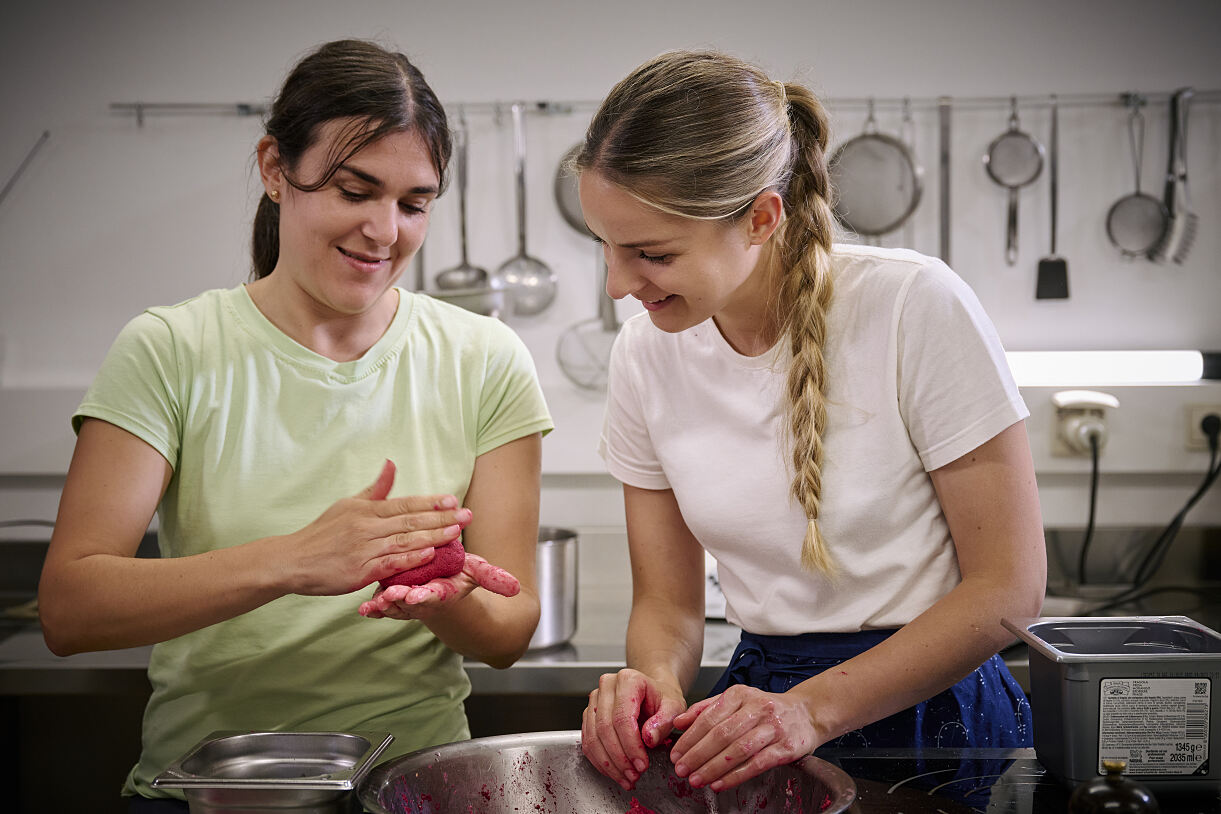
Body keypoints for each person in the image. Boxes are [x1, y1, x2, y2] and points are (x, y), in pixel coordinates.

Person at [37, 39, 552, 812]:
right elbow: (71, 608)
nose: (385, 231)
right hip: (211, 791)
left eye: (413, 204)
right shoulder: (172, 348)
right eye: (355, 190)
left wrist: (438, 592)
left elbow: (508, 632)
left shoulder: (485, 358)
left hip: (410, 787)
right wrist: (296, 560)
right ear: (276, 170)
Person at [575, 50, 1047, 794]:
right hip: (759, 703)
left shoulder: (912, 305)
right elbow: (666, 602)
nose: (617, 286)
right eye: (603, 246)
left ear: (761, 218)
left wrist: (809, 712)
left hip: (933, 719)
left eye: (651, 253)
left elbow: (1007, 590)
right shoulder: (645, 352)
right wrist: (654, 678)